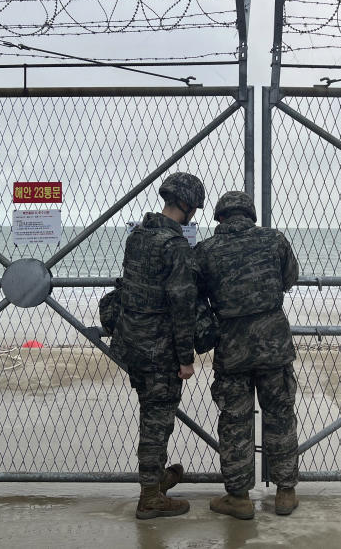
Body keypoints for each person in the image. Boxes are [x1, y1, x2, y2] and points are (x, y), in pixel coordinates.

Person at [194, 190, 300, 519]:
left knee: (235, 423)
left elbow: (194, 298)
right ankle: (285, 493)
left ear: (220, 218)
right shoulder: (275, 240)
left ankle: (239, 498)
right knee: (280, 417)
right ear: (251, 215)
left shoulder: (206, 250)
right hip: (274, 346)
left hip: (232, 349)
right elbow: (290, 278)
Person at [112, 172, 204, 520]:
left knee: (150, 412)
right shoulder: (176, 247)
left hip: (132, 341)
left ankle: (156, 478)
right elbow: (181, 305)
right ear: (186, 205)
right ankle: (150, 496)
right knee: (157, 421)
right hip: (159, 348)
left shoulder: (138, 235)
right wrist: (185, 359)